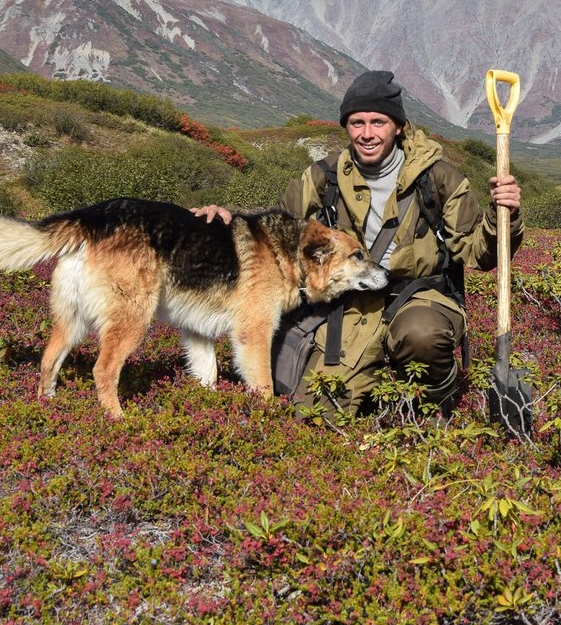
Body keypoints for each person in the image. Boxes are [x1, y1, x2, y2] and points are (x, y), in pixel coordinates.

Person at [193, 70, 522, 413]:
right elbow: (278, 228)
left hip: (419, 294)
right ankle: (375, 381)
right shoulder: (325, 176)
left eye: (378, 122)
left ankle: (438, 402)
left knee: (420, 334)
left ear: (398, 126)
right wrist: (229, 219)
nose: (367, 134)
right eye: (356, 123)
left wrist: (506, 217)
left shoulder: (437, 177)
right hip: (350, 301)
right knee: (315, 413)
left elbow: (479, 254)